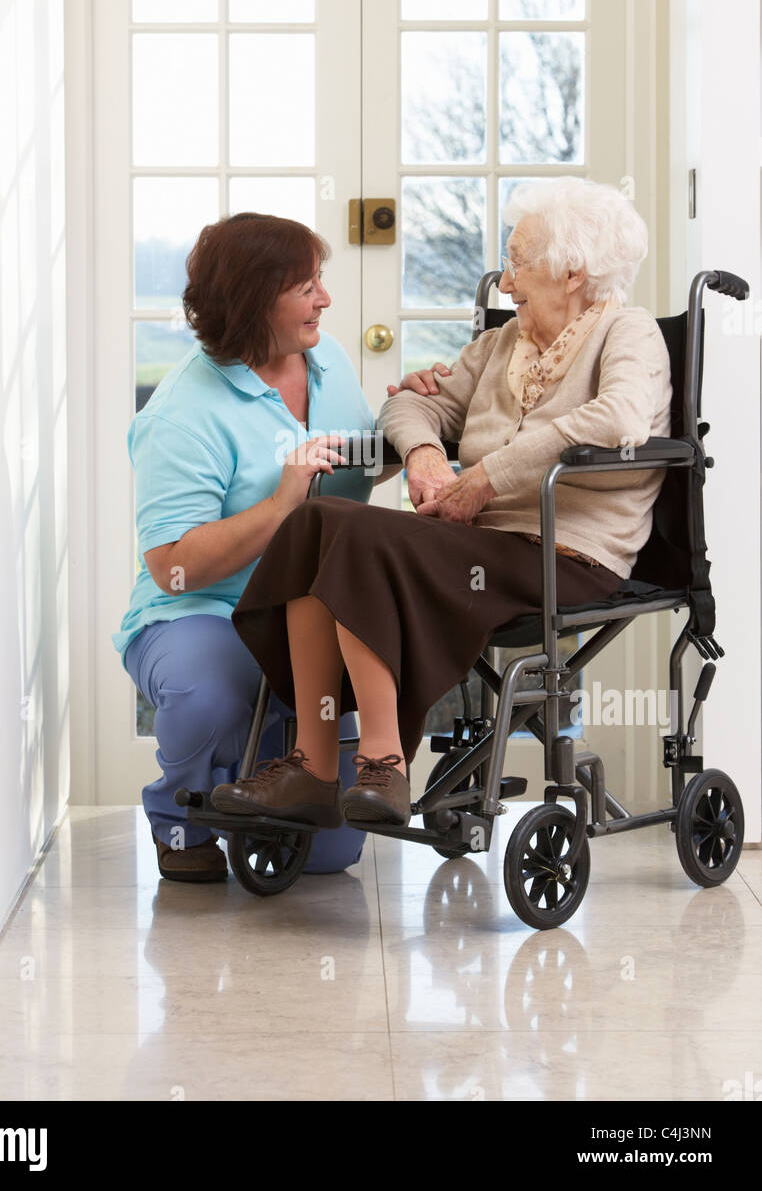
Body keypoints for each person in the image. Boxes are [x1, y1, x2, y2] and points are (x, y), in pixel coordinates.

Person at [214, 178, 672, 828]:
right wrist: (427, 454)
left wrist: (485, 478)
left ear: (572, 271)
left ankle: (383, 764)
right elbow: (410, 403)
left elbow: (620, 418)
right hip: (482, 545)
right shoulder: (500, 346)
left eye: (519, 262)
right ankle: (313, 767)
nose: (506, 283)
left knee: (362, 536)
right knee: (317, 521)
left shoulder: (629, 333)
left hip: (567, 552)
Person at [113, 212, 382, 882]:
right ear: (254, 301)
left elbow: (360, 463)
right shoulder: (182, 412)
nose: (325, 299)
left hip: (314, 607)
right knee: (213, 691)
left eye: (321, 281)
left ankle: (263, 764)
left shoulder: (330, 362)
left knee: (331, 853)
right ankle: (182, 816)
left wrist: (421, 430)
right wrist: (278, 504)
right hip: (205, 614)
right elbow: (173, 567)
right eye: (306, 287)